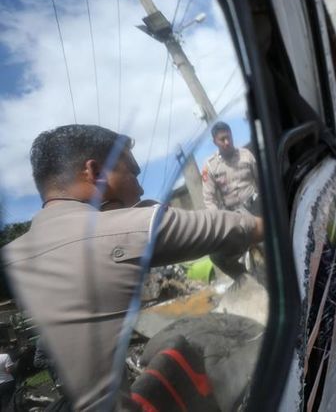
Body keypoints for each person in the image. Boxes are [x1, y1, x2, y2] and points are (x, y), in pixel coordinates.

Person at [1, 124, 264, 411]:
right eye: (133, 173)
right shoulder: (126, 230)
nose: (139, 188)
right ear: (96, 173)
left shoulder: (12, 256)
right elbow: (241, 228)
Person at [202, 121, 260, 215]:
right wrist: (219, 219)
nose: (227, 142)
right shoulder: (210, 166)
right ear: (215, 142)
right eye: (222, 139)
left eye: (229, 137)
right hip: (234, 216)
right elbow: (209, 199)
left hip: (256, 207)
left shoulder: (246, 155)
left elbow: (261, 180)